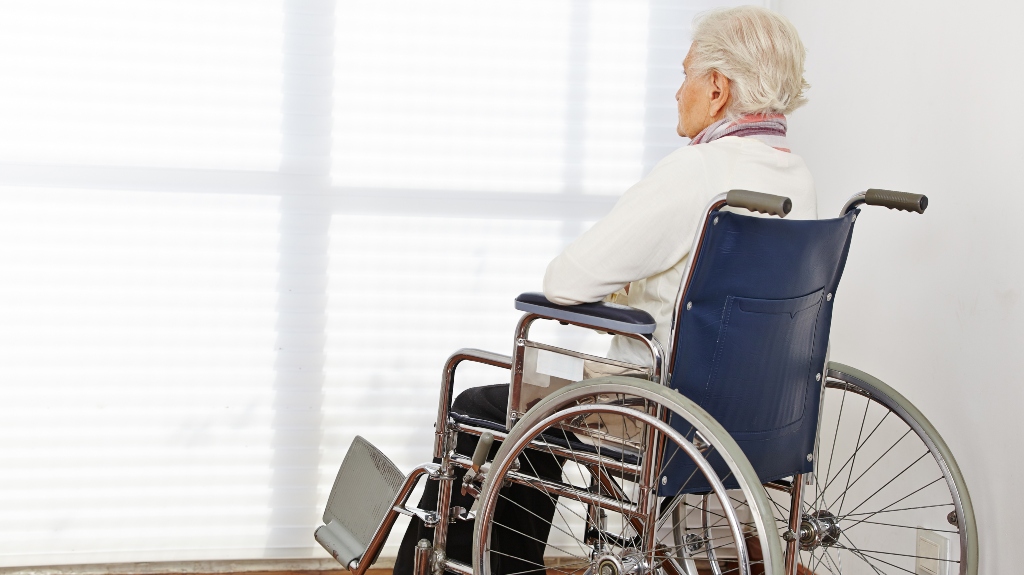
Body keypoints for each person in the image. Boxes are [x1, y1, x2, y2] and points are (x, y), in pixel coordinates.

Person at [394, 6, 814, 574]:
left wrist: (623, 290)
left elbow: (564, 282)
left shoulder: (696, 173)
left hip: (656, 408)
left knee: (488, 406)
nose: (676, 92)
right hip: (759, 414)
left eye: (685, 74)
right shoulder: (796, 178)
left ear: (717, 88)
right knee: (533, 402)